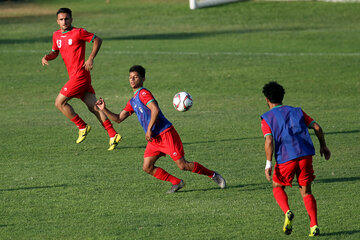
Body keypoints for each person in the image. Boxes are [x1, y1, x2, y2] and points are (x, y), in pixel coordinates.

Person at [96, 65, 226, 193]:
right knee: (147, 167)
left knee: (183, 165)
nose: (132, 80)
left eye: (135, 77)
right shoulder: (132, 101)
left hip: (165, 133)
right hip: (154, 138)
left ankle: (213, 175)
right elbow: (118, 118)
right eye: (130, 77)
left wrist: (149, 129)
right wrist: (104, 109)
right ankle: (176, 182)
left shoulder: (143, 93)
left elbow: (155, 109)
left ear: (143, 79)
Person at [41, 8, 121, 150]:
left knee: (59, 103)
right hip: (76, 76)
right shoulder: (56, 35)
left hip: (80, 75)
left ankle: (82, 126)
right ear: (57, 21)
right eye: (61, 19)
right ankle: (112, 134)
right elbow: (55, 52)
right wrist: (47, 57)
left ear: (71, 19)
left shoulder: (78, 32)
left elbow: (97, 40)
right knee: (94, 107)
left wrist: (90, 59)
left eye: (66, 19)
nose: (64, 21)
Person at [261, 81, 331, 237]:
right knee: (306, 191)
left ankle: (287, 211)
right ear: (282, 96)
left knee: (277, 185)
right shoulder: (297, 111)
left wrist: (268, 164)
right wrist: (323, 146)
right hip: (305, 155)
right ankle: (314, 226)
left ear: (267, 99)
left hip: (286, 158)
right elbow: (317, 127)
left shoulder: (266, 118)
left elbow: (269, 141)